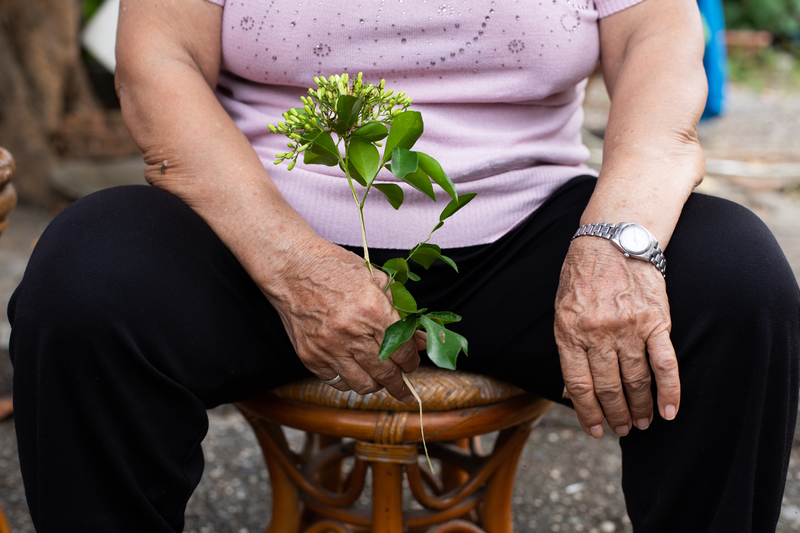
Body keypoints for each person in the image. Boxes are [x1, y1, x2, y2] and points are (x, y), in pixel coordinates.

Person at [7, 0, 798, 531]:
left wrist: (614, 241)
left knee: (736, 286)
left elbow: (658, 49)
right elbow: (158, 62)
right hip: (259, 228)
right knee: (88, 279)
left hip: (525, 223)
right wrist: (293, 266)